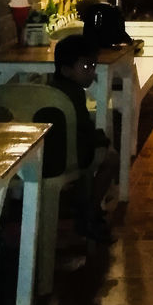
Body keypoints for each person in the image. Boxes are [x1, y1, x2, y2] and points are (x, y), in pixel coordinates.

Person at [51, 34, 118, 242]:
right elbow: (83, 129)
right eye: (86, 67)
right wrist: (102, 140)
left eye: (93, 66)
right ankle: (91, 211)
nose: (92, 72)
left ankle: (82, 205)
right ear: (67, 70)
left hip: (46, 153)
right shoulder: (74, 94)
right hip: (67, 155)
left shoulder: (50, 88)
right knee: (111, 158)